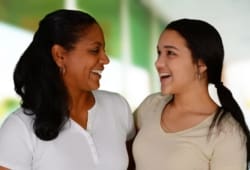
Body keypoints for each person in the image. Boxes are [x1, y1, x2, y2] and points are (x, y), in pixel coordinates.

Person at [0, 9, 135, 170]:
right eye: (94, 50)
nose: (105, 59)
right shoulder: (19, 128)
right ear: (60, 55)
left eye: (104, 50)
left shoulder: (117, 107)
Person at [132, 18, 250, 170]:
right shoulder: (151, 105)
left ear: (201, 64)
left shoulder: (226, 132)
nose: (158, 63)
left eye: (170, 53)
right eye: (159, 53)